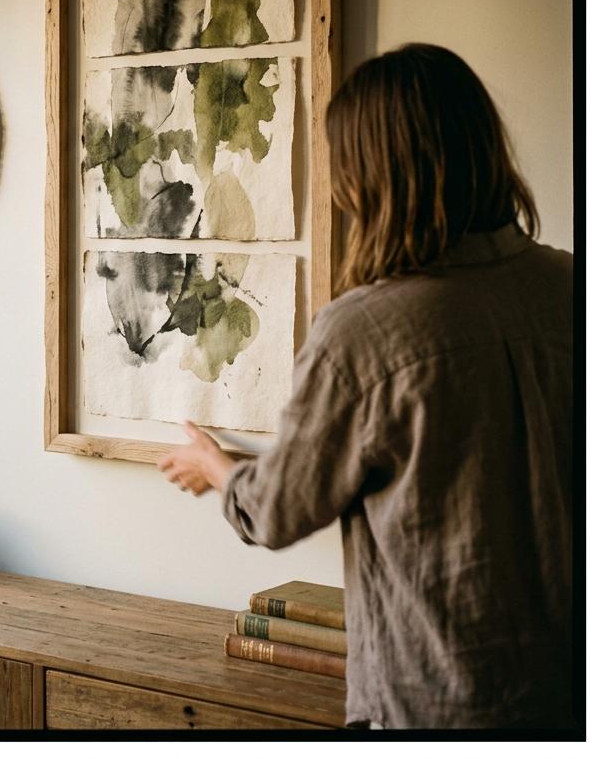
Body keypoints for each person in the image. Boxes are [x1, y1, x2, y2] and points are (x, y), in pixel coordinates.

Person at [158, 44, 573, 730]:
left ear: (369, 177)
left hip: (437, 706)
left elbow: (280, 511)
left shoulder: (367, 330)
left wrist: (217, 467)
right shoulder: (570, 287)